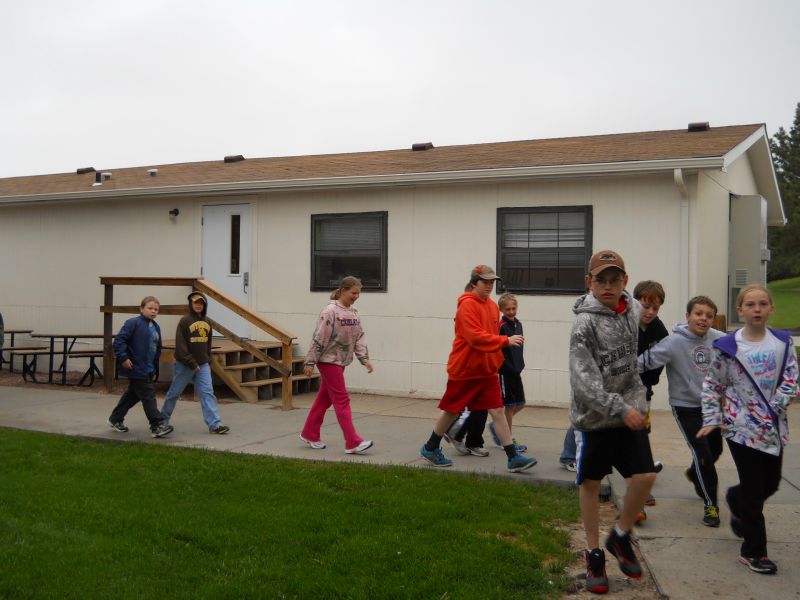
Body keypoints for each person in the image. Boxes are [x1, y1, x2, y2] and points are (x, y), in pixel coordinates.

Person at [569, 249, 656, 594]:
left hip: (628, 413)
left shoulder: (632, 310)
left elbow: (635, 358)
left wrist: (637, 403)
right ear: (588, 282)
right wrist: (619, 408)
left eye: (614, 279)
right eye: (600, 280)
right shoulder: (584, 325)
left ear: (625, 281)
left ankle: (619, 536)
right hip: (596, 417)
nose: (608, 286)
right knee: (591, 484)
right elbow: (584, 383)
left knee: (646, 475)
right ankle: (593, 556)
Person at [698, 284, 797, 575]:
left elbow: (792, 374)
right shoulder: (729, 347)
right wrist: (712, 417)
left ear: (770, 309)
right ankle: (754, 551)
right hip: (740, 428)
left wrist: (778, 401)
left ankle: (734, 500)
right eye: (750, 304)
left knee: (771, 484)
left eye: (762, 304)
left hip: (773, 427)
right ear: (740, 310)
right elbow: (713, 384)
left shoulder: (782, 342)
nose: (756, 309)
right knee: (755, 491)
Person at [419, 265, 536, 473]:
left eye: (492, 282)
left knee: (498, 411)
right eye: (485, 282)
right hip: (465, 369)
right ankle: (430, 447)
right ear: (474, 283)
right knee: (451, 410)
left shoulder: (491, 306)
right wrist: (505, 341)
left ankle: (513, 457)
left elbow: (489, 335)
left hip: (487, 370)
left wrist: (496, 359)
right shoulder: (466, 306)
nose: (489, 286)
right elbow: (474, 337)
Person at [639, 295, 725, 526]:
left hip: (711, 406)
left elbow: (745, 347)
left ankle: (695, 474)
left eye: (709, 315)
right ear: (688, 316)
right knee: (704, 454)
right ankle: (711, 506)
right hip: (685, 406)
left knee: (715, 450)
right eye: (698, 314)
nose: (703, 319)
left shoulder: (719, 339)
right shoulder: (673, 342)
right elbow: (642, 362)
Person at [300, 276, 374, 454]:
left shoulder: (354, 312)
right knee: (342, 400)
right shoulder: (330, 311)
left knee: (324, 400)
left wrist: (364, 359)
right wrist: (310, 362)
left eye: (358, 293)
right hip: (328, 361)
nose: (356, 296)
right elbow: (320, 337)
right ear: (343, 291)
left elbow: (359, 336)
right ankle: (353, 442)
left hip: (341, 362)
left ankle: (309, 433)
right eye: (353, 293)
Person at [627, 280, 670, 519]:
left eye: (656, 308)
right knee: (593, 429)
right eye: (646, 306)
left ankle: (640, 492)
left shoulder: (659, 330)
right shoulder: (624, 324)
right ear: (636, 303)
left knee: (638, 436)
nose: (651, 312)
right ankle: (571, 454)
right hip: (618, 391)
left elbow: (658, 365)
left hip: (643, 392)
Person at [160, 292, 230, 434]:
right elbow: (181, 346)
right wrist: (192, 363)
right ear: (191, 304)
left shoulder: (207, 322)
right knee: (174, 393)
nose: (198, 305)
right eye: (195, 303)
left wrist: (208, 359)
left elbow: (208, 343)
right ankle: (161, 421)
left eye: (201, 303)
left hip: (203, 365)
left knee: (207, 393)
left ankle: (215, 424)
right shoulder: (184, 321)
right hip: (185, 365)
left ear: (205, 305)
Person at [107, 296, 173, 438]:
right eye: (150, 308)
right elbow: (119, 341)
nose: (153, 311)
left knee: (132, 395)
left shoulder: (155, 327)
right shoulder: (133, 323)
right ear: (141, 309)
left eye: (156, 309)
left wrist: (155, 367)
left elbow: (156, 347)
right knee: (148, 395)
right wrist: (123, 357)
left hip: (148, 368)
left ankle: (115, 418)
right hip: (136, 367)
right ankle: (157, 425)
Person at [487, 293, 528, 454]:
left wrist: (520, 364)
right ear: (501, 309)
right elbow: (497, 346)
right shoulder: (502, 326)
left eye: (513, 308)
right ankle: (508, 439)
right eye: (507, 309)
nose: (511, 311)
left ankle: (498, 425)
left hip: (516, 371)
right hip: (505, 371)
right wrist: (503, 365)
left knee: (521, 403)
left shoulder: (518, 324)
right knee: (509, 407)